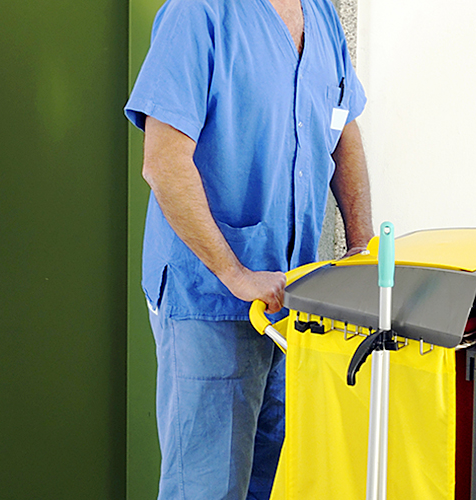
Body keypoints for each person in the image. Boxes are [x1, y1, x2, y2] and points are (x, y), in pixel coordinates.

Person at [124, 0, 372, 497]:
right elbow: (164, 161)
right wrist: (235, 274)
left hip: (292, 302)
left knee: (276, 481)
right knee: (208, 488)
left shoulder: (320, 16)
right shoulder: (199, 14)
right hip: (211, 303)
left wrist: (361, 247)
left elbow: (342, 131)